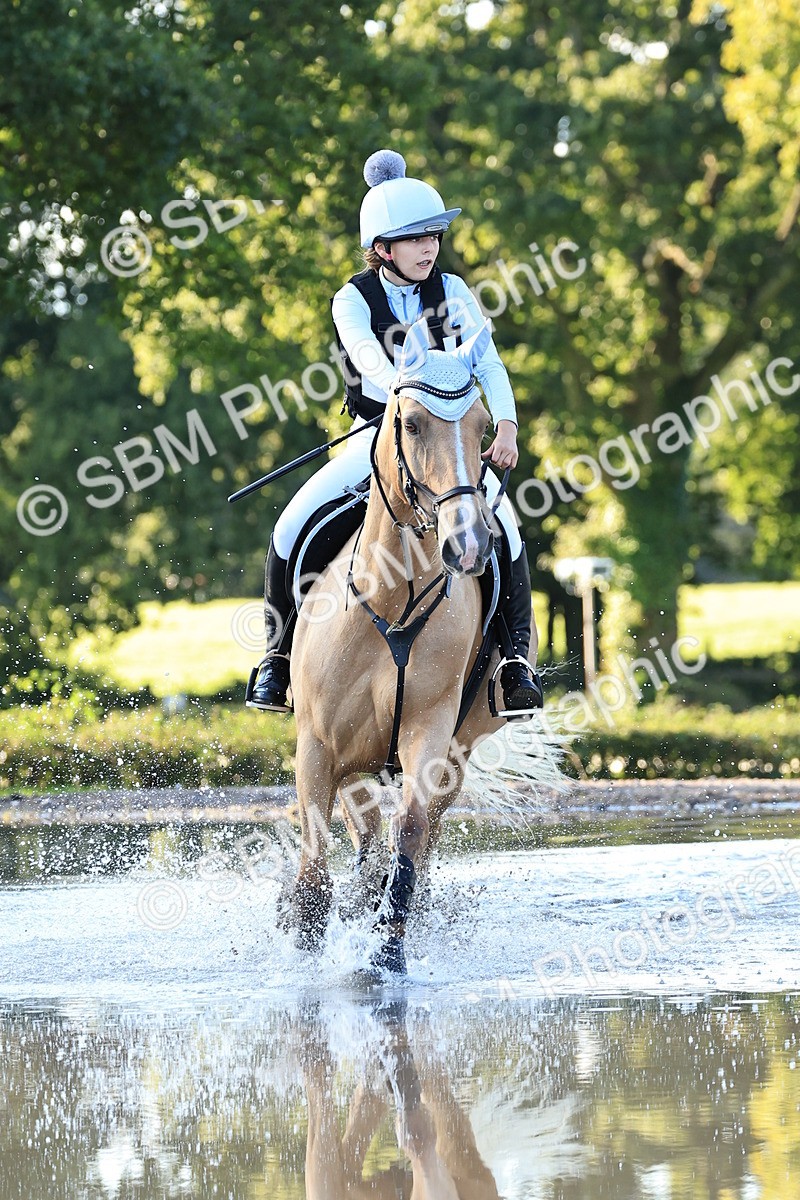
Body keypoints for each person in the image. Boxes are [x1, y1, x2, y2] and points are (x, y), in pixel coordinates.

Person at [246, 149, 542, 716]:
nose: (429, 247)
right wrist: (414, 395)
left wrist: (505, 422)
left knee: (506, 529)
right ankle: (276, 658)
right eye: (414, 238)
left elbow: (490, 363)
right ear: (382, 247)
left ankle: (513, 663)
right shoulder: (351, 299)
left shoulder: (453, 291)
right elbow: (371, 362)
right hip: (377, 435)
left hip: (448, 441)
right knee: (290, 529)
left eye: (432, 235)